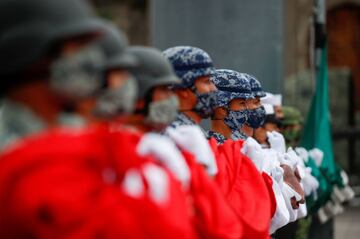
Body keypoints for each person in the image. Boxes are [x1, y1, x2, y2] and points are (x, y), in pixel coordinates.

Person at [0, 1, 197, 238]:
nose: (92, 61)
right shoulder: (16, 153)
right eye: (76, 47)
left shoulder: (101, 148)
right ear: (27, 52)